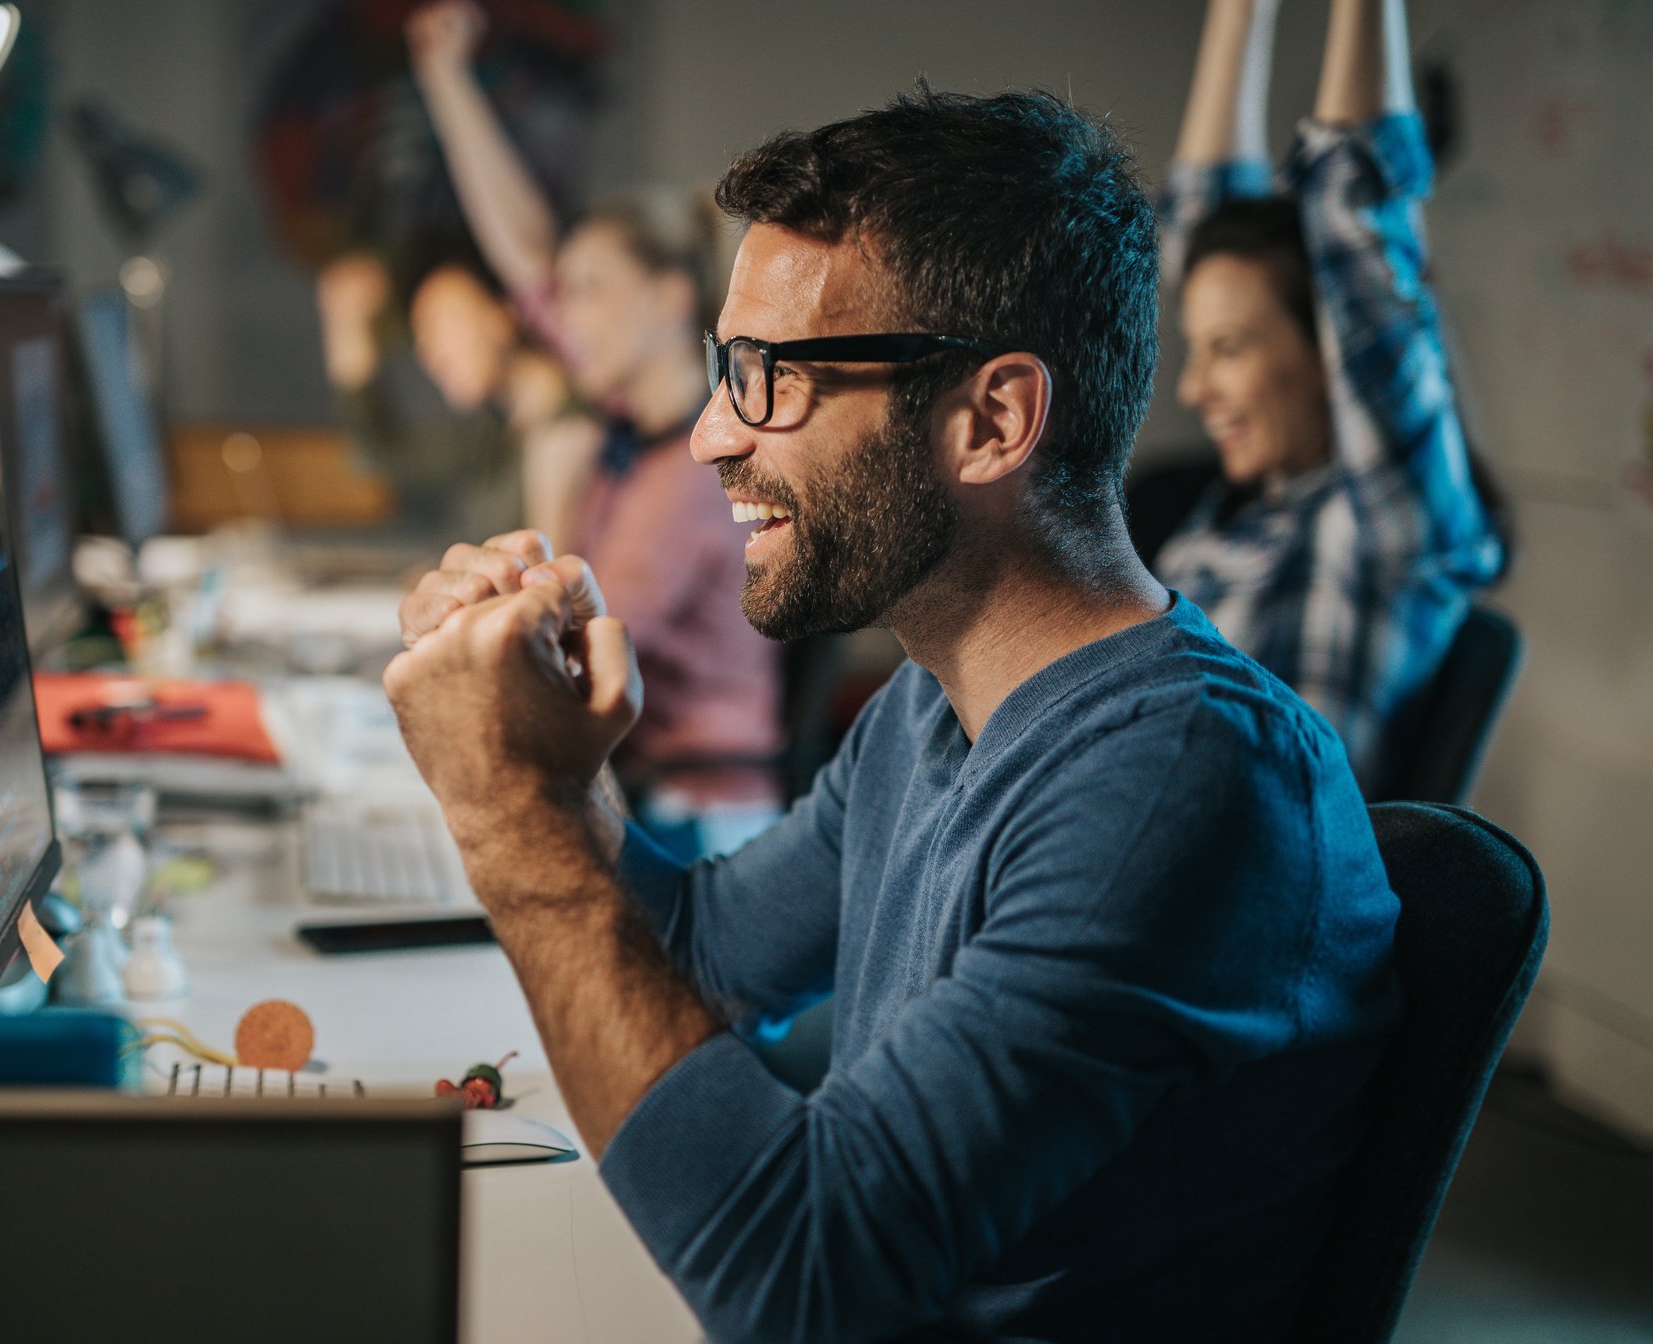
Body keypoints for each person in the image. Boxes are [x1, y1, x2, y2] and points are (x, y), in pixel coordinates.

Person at [383, 85, 1401, 1342]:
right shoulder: (937, 701)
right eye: (722, 371)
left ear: (992, 421)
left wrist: (506, 816)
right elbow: (695, 961)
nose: (709, 437)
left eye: (769, 380)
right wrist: (546, 766)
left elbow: (802, 1276)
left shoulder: (1180, 779)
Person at [406, 0, 783, 858]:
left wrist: (547, 489)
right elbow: (525, 255)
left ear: (666, 298)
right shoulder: (630, 424)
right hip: (644, 791)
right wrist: (445, 78)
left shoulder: (698, 470)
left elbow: (575, 660)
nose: (559, 315)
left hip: (699, 820)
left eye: (589, 291)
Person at [1155, 0, 1504, 795]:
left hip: (1254, 903)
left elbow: (1354, 222)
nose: (1193, 388)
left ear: (1331, 353)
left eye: (1228, 350)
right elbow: (1206, 235)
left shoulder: (1384, 533)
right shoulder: (1250, 509)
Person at [314, 252, 596, 546]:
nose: (430, 353)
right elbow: (382, 455)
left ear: (502, 315)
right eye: (422, 338)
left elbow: (549, 581)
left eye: (440, 325)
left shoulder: (569, 428)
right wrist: (348, 330)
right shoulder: (494, 437)